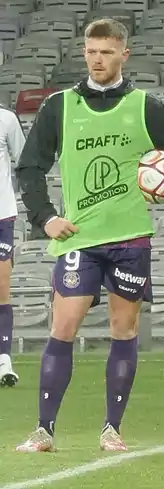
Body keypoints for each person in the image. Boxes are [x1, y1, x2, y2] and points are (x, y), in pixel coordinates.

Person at [15, 18, 164, 452]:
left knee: (124, 329)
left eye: (105, 51)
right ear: (83, 53)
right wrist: (45, 218)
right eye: (90, 51)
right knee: (62, 327)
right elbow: (29, 168)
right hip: (78, 239)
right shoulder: (59, 106)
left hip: (130, 239)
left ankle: (111, 430)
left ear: (124, 54)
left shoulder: (146, 106)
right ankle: (44, 430)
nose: (97, 59)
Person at [0, 104, 25, 387]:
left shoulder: (6, 119)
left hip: (2, 215)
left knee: (1, 289)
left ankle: (4, 360)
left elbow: (24, 159)